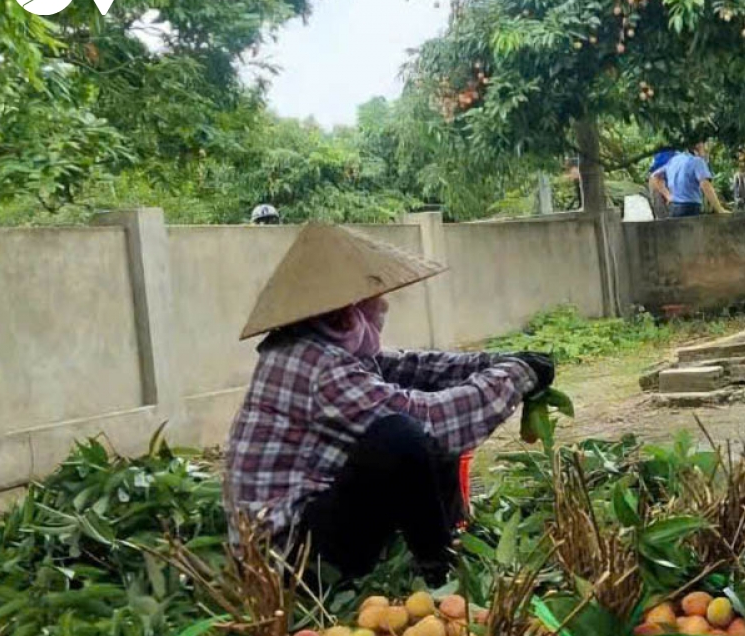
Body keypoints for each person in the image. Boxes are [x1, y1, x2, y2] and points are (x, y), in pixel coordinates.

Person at [224, 224, 553, 581]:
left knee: (413, 436)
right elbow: (433, 424)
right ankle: (437, 570)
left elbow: (414, 367)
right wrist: (518, 375)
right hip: (286, 563)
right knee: (402, 438)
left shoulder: (317, 345)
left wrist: (499, 361)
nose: (383, 304)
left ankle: (448, 541)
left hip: (309, 526)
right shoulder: (315, 366)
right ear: (343, 313)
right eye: (372, 299)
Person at [652, 142, 729, 217]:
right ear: (697, 147)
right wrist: (719, 209)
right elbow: (705, 185)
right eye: (704, 147)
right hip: (691, 208)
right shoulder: (697, 161)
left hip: (674, 208)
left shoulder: (673, 160)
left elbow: (655, 177)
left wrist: (668, 196)